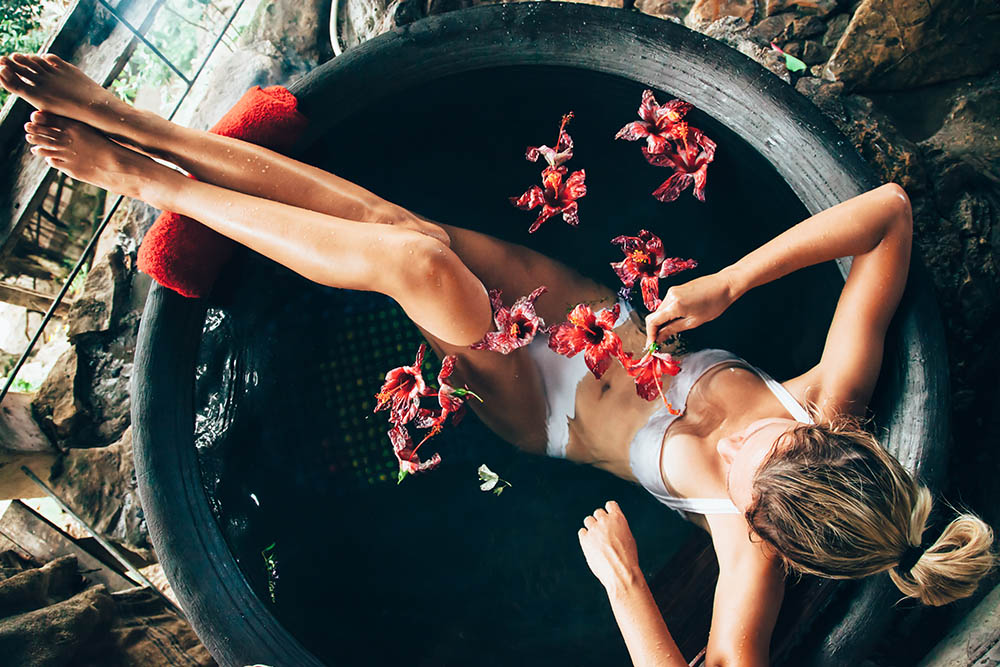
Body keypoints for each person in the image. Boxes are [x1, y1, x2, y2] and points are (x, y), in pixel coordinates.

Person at [1, 52, 993, 667]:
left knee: (418, 266)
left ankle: (142, 172)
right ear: (825, 432)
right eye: (773, 440)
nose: (740, 450)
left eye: (743, 481)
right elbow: (888, 218)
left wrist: (627, 590)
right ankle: (138, 128)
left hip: (540, 408)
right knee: (401, 227)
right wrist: (729, 285)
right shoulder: (835, 395)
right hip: (582, 310)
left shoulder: (751, 550)